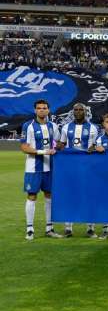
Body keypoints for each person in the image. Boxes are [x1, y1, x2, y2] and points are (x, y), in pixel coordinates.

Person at [19, 99, 62, 240]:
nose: (42, 110)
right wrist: (44, 152)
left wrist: (59, 148)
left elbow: (59, 143)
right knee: (32, 196)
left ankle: (49, 228)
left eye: (44, 108)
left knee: (49, 196)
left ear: (48, 110)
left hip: (50, 168)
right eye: (39, 108)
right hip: (33, 168)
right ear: (35, 110)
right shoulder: (28, 126)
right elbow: (24, 147)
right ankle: (30, 229)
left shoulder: (53, 126)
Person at [57, 103, 99, 238]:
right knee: (70, 196)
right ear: (73, 112)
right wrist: (58, 146)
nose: (79, 111)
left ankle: (90, 228)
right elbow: (62, 144)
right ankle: (68, 228)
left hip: (88, 168)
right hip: (70, 168)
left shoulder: (93, 127)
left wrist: (94, 147)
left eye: (81, 110)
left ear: (85, 112)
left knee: (90, 197)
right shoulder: (66, 127)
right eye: (76, 110)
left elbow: (95, 145)